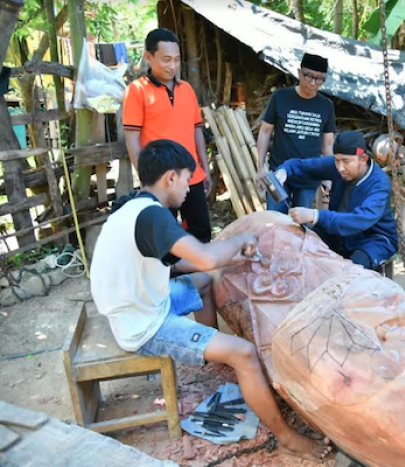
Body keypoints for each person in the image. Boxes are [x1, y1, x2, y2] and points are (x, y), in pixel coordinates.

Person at [90, 139, 331, 461]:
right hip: (142, 323)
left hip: (140, 302)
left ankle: (213, 360)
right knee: (244, 353)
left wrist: (229, 261)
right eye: (188, 179)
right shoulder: (151, 216)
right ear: (170, 178)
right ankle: (286, 437)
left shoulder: (135, 207)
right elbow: (203, 257)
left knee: (203, 282)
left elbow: (174, 265)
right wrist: (241, 239)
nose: (190, 189)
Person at [123, 28, 212, 243]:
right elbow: (132, 140)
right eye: (166, 59)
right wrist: (148, 181)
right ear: (148, 57)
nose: (172, 66)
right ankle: (171, 277)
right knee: (165, 241)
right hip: (160, 182)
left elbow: (196, 130)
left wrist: (205, 168)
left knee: (201, 234)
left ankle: (197, 276)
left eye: (176, 59)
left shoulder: (187, 90)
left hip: (192, 177)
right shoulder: (137, 91)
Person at [273, 131, 398, 270]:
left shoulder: (379, 183)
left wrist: (315, 215)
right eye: (336, 160)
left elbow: (359, 219)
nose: (340, 168)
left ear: (363, 158)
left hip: (373, 238)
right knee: (304, 246)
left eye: (345, 161)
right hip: (339, 234)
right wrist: (284, 171)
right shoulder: (338, 166)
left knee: (355, 267)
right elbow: (301, 166)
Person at [257, 53, 336, 213]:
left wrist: (328, 176)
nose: (314, 83)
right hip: (278, 172)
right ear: (299, 73)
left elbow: (328, 144)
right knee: (275, 221)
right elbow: (265, 131)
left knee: (301, 226)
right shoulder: (280, 97)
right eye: (309, 76)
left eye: (319, 78)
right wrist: (260, 167)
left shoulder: (326, 105)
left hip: (309, 175)